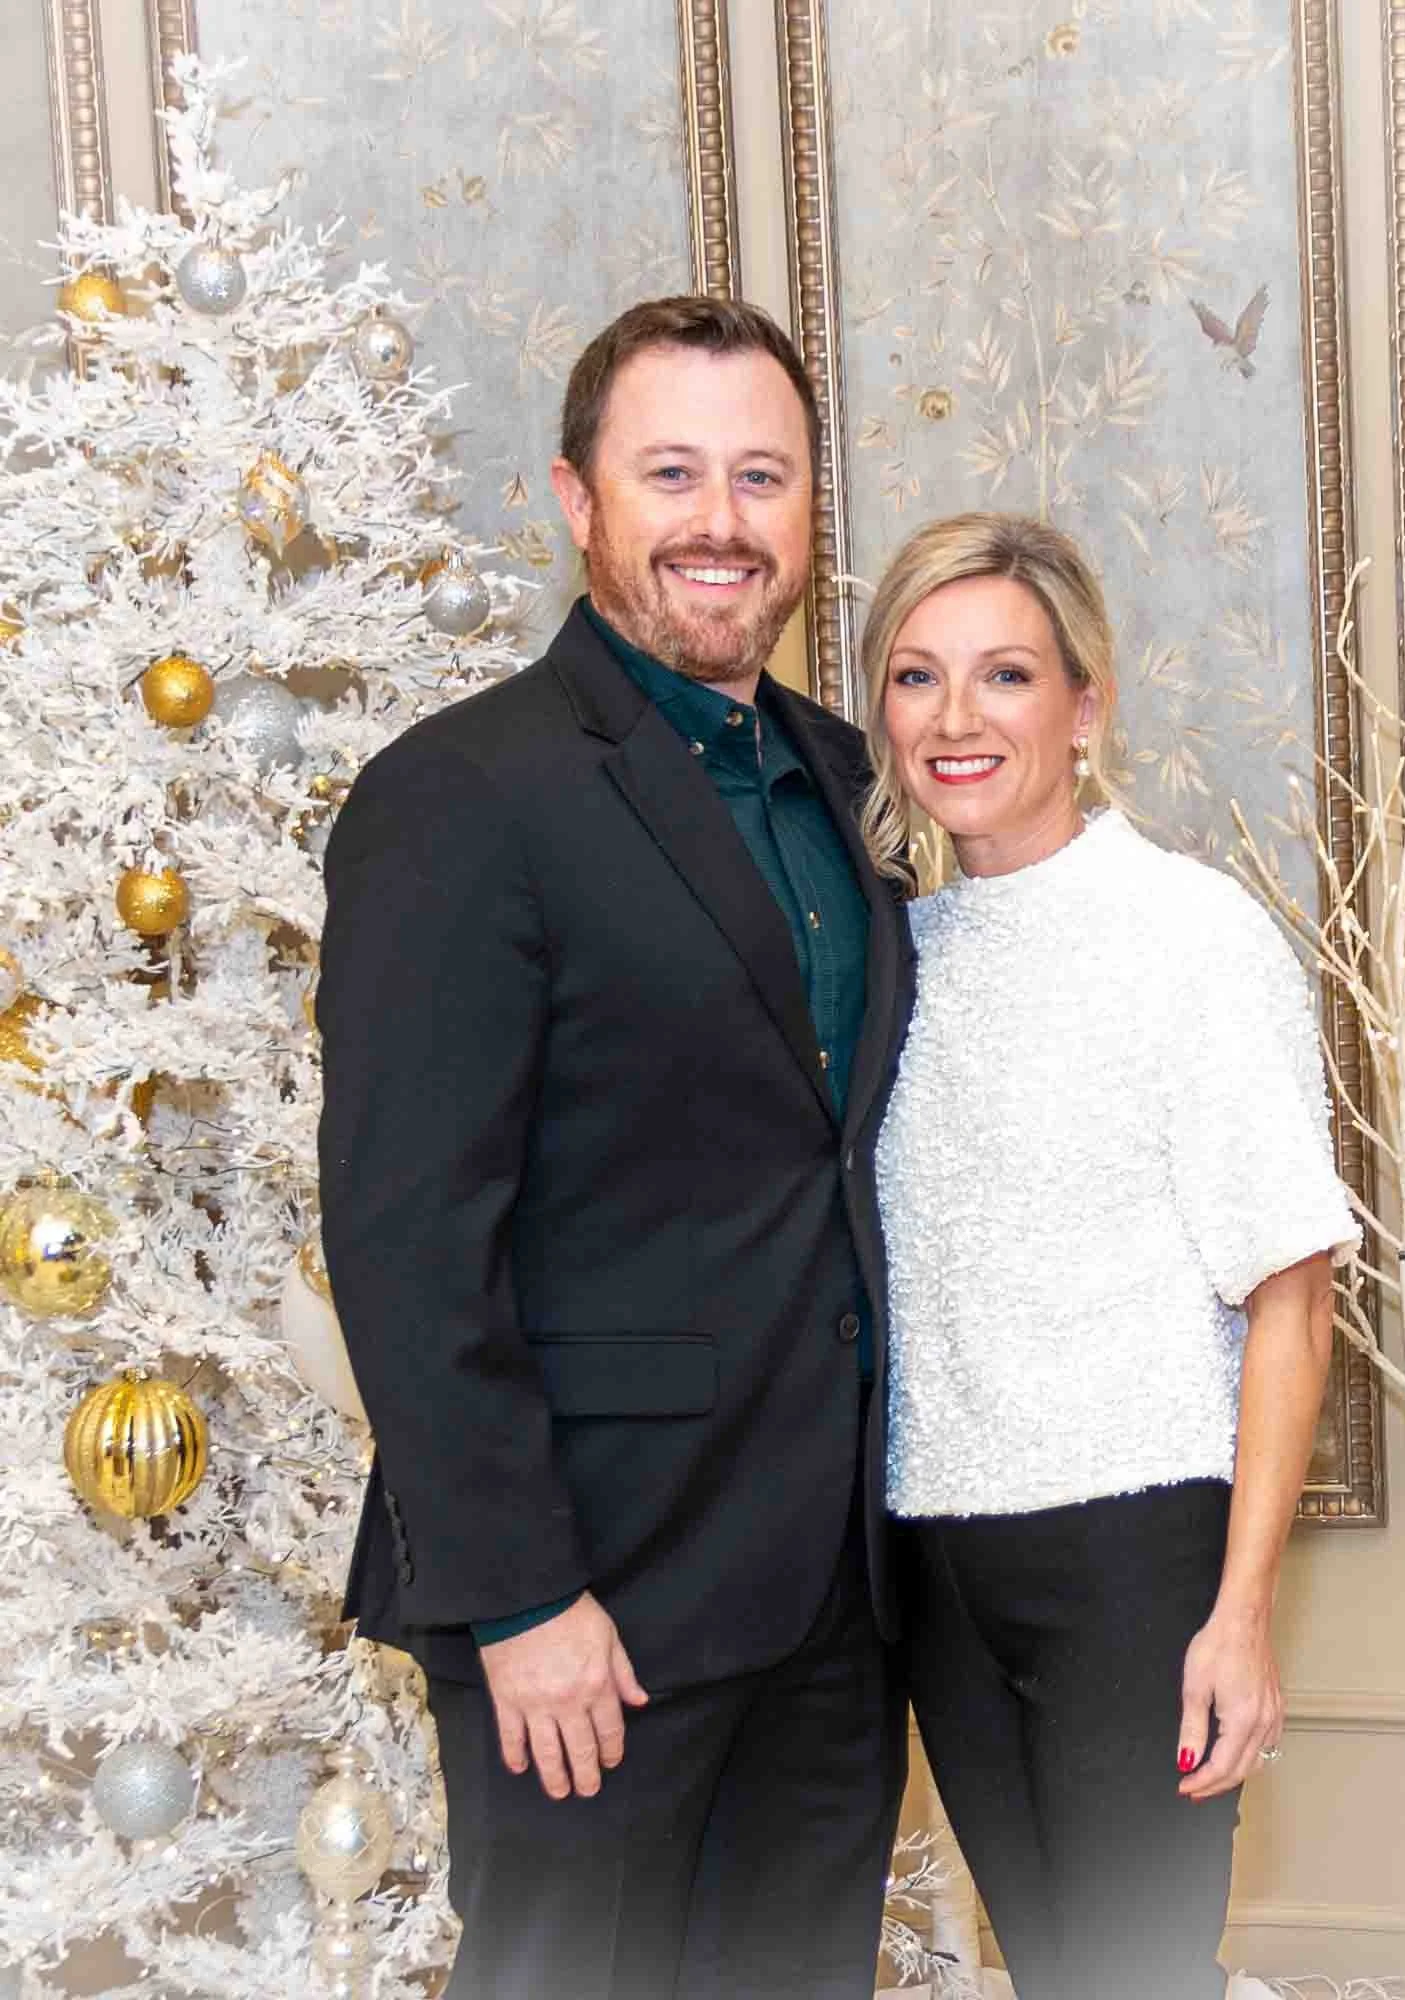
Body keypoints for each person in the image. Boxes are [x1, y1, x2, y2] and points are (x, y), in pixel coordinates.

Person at [315, 297, 914, 2000]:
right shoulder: (463, 796)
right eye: (671, 472)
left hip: (832, 1600)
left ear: (809, 512)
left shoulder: (847, 783)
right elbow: (408, 1234)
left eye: (761, 475)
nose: (720, 520)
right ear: (576, 501)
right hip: (591, 1608)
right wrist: (517, 1598)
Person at [860, 512, 1360, 2000]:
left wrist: (1242, 1615)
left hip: (1132, 1568)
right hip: (937, 1564)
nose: (957, 720)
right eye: (915, 676)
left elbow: (1293, 1291)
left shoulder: (1188, 937)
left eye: (1005, 675)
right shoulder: (898, 956)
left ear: (1086, 706)